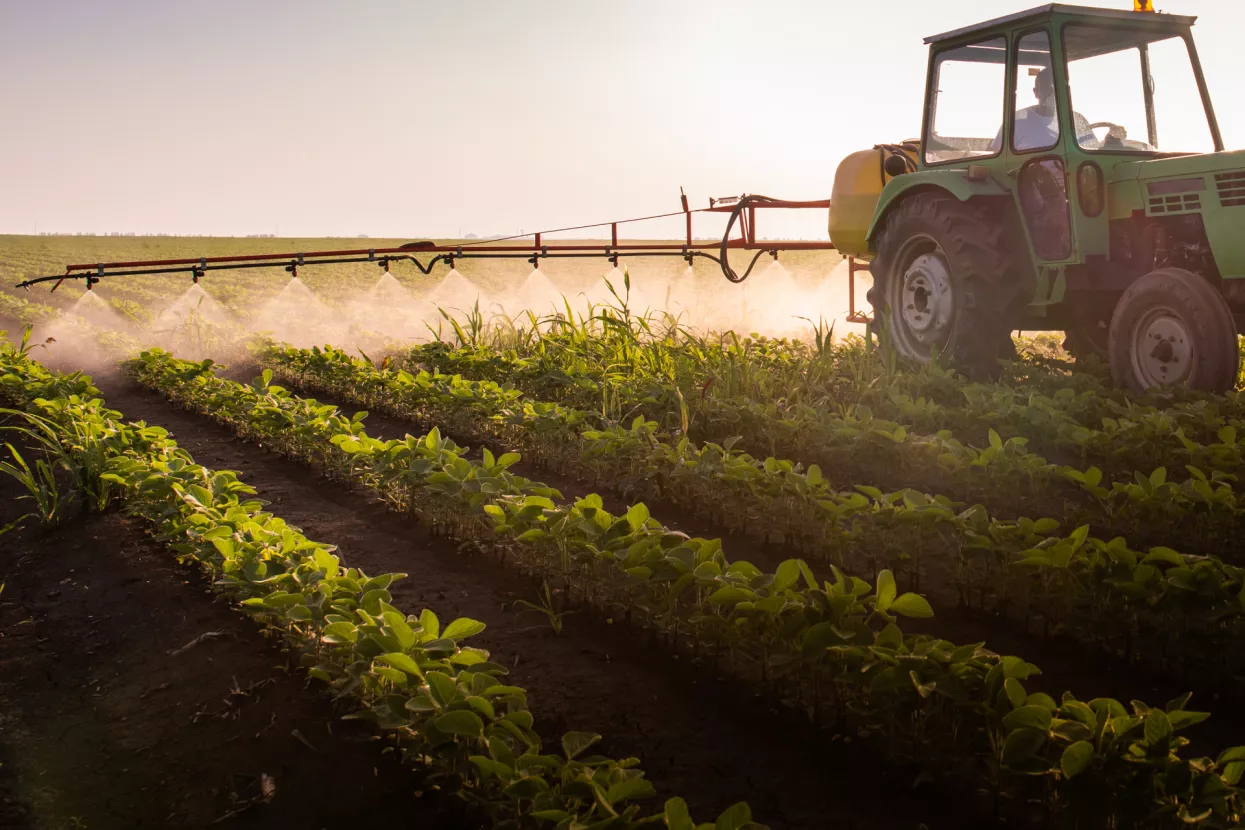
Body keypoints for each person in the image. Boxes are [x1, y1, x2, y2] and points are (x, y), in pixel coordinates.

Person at [992, 67, 1094, 152]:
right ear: (1036, 92)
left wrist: (1108, 144)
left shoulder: (1077, 120)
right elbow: (1000, 158)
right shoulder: (1015, 123)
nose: (1053, 94)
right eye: (1048, 89)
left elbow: (1092, 149)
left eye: (1058, 89)